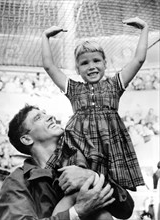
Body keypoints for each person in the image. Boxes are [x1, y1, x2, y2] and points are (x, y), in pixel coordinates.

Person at [42, 17, 148, 214]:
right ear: (77, 69)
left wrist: (144, 29)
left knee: (103, 193)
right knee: (74, 192)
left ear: (105, 63)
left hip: (108, 146)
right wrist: (45, 37)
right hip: (79, 144)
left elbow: (139, 59)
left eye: (96, 60)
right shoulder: (73, 89)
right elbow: (49, 66)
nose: (91, 66)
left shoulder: (114, 85)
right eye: (84, 63)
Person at [0, 105, 116, 220]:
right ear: (27, 139)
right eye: (38, 118)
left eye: (45, 113)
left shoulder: (81, 161)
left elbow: (126, 209)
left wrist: (92, 177)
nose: (50, 116)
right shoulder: (16, 182)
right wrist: (78, 211)